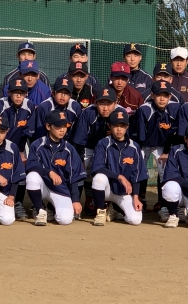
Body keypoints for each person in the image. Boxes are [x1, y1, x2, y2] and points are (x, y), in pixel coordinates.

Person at [26, 110, 87, 226]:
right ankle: (40, 211)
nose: (62, 130)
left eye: (65, 126)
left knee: (65, 220)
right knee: (32, 176)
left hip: (60, 188)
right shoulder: (37, 145)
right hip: (42, 185)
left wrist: (75, 200)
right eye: (58, 126)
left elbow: (74, 176)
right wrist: (49, 172)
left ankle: (51, 208)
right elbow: (31, 166)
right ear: (48, 126)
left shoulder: (69, 149)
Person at [72, 87, 126, 216]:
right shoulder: (89, 113)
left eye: (109, 103)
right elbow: (79, 140)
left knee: (114, 170)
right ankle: (77, 203)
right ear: (96, 103)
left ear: (115, 103)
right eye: (102, 103)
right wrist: (80, 160)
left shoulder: (120, 113)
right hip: (88, 146)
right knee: (79, 171)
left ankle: (113, 206)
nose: (105, 108)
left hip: (110, 147)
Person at [91, 109, 148, 226]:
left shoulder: (134, 147)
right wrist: (120, 177)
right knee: (99, 178)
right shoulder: (103, 143)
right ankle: (100, 212)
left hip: (123, 192)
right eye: (115, 125)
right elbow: (97, 167)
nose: (119, 129)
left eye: (122, 126)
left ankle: (116, 210)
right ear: (109, 126)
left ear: (127, 126)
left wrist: (136, 197)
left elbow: (137, 174)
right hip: (107, 189)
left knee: (135, 220)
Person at [132, 81, 180, 214]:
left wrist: (166, 152)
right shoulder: (145, 109)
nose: (162, 98)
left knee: (165, 170)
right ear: (152, 95)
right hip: (143, 144)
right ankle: (140, 199)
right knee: (138, 168)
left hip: (162, 145)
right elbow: (140, 137)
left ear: (170, 97)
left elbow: (174, 134)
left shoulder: (175, 109)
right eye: (159, 95)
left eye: (165, 95)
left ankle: (164, 204)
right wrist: (139, 154)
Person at [0, 77, 36, 219]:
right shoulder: (0, 104)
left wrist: (22, 151)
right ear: (9, 93)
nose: (18, 96)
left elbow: (29, 131)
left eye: (22, 93)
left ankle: (18, 203)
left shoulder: (29, 106)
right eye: (15, 92)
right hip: (0, 146)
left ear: (26, 94)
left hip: (19, 147)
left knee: (21, 174)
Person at [31, 77, 82, 141]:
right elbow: (40, 133)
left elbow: (78, 132)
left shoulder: (75, 107)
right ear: (53, 93)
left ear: (70, 96)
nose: (63, 96)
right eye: (60, 92)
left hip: (69, 142)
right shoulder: (44, 107)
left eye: (66, 93)